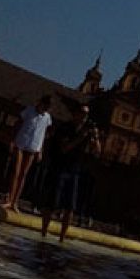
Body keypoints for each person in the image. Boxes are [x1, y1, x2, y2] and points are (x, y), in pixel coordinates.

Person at [40, 100, 102, 242]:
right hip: (59, 167)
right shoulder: (65, 128)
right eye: (82, 113)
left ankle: (62, 238)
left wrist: (96, 138)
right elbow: (65, 148)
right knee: (51, 202)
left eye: (87, 114)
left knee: (70, 206)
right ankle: (43, 232)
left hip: (75, 169)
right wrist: (81, 137)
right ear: (75, 114)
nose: (85, 117)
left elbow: (97, 152)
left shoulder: (87, 131)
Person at [2, 95, 54, 211]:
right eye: (45, 106)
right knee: (16, 171)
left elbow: (44, 134)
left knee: (23, 174)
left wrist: (40, 150)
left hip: (33, 146)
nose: (46, 109)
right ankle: (9, 198)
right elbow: (17, 124)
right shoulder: (29, 111)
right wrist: (12, 140)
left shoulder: (47, 118)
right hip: (21, 142)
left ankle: (15, 201)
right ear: (41, 103)